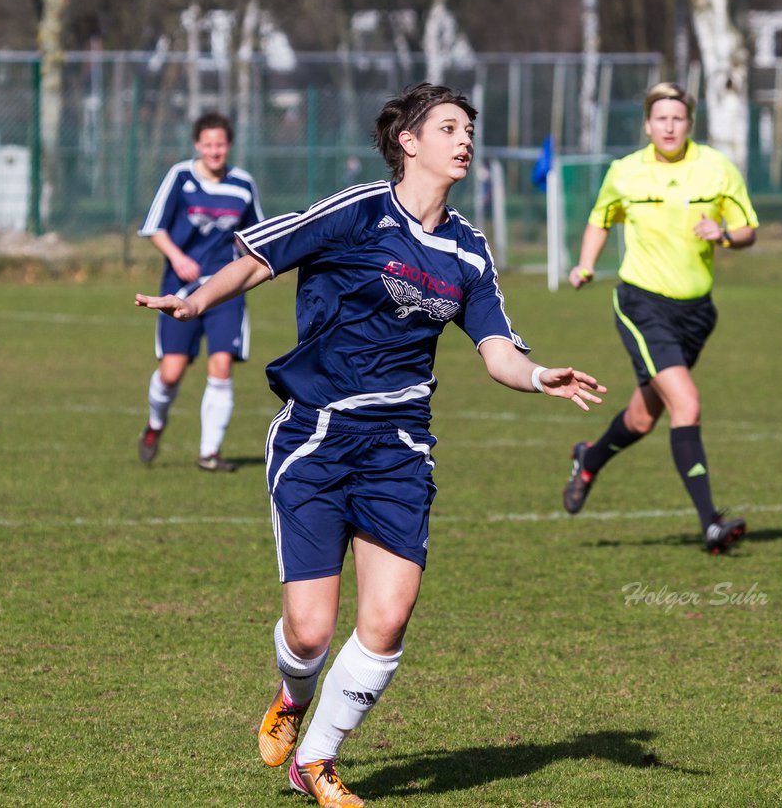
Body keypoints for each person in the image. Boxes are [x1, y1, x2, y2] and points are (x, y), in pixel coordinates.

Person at [136, 83, 605, 807]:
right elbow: (262, 258)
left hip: (398, 447)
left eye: (469, 128)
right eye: (449, 126)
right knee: (311, 630)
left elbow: (496, 349)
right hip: (317, 436)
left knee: (386, 619)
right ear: (409, 142)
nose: (466, 139)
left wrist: (540, 374)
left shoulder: (468, 251)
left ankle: (316, 761)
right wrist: (197, 301)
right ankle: (293, 700)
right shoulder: (358, 212)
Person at [560, 82, 757, 555]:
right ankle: (710, 522)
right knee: (685, 404)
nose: (670, 126)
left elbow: (749, 229)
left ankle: (589, 458)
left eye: (679, 118)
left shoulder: (717, 169)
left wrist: (725, 235)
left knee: (644, 417)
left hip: (697, 313)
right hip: (642, 303)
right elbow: (601, 218)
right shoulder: (625, 172)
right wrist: (586, 263)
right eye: (661, 119)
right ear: (647, 125)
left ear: (690, 124)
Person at [136, 112, 264, 471]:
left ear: (229, 145)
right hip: (179, 290)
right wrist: (178, 259)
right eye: (207, 144)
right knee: (172, 372)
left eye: (220, 144)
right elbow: (154, 227)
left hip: (225, 289)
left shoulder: (242, 184)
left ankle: (209, 453)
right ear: (197, 145)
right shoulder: (180, 177)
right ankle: (155, 424)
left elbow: (255, 236)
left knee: (221, 366)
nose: (214, 150)